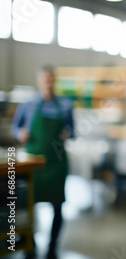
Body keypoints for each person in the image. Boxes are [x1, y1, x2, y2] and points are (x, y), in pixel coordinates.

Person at [11, 65, 74, 259]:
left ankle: (52, 246)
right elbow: (16, 127)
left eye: (51, 78)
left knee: (57, 206)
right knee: (29, 205)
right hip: (33, 164)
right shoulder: (27, 105)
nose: (48, 82)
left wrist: (68, 133)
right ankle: (30, 246)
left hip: (57, 163)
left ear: (55, 81)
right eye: (44, 78)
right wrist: (20, 133)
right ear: (38, 81)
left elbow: (73, 130)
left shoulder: (65, 105)